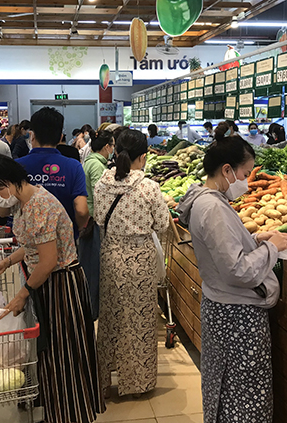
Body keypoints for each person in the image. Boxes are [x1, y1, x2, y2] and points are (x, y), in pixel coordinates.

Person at [0, 155, 105, 423]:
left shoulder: (39, 206)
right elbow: (33, 244)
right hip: (47, 284)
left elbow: (47, 263)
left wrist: (23, 295)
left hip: (61, 286)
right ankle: (58, 413)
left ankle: (70, 415)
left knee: (64, 353)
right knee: (50, 352)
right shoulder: (25, 203)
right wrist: (4, 263)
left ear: (5, 183)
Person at [176, 136, 287, 422]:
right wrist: (271, 248)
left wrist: (253, 239)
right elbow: (238, 270)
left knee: (225, 387)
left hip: (220, 308)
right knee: (244, 394)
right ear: (227, 170)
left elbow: (221, 249)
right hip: (236, 317)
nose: (245, 181)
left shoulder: (205, 201)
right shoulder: (214, 208)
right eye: (243, 173)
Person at [94, 129, 170, 397]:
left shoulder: (101, 183)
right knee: (139, 321)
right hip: (140, 259)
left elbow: (99, 218)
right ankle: (137, 384)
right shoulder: (149, 187)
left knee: (111, 319)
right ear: (144, 156)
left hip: (111, 255)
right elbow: (161, 224)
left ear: (114, 152)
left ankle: (104, 379)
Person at [16, 107, 89, 242]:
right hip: (65, 240)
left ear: (32, 135)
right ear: (60, 137)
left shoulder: (17, 166)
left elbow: (4, 209)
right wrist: (77, 229)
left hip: (28, 241)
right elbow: (81, 210)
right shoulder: (73, 166)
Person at [81, 131, 116, 320]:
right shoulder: (96, 165)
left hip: (93, 218)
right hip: (94, 220)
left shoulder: (93, 161)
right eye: (112, 146)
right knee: (94, 267)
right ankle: (93, 311)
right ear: (106, 147)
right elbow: (99, 194)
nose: (113, 150)